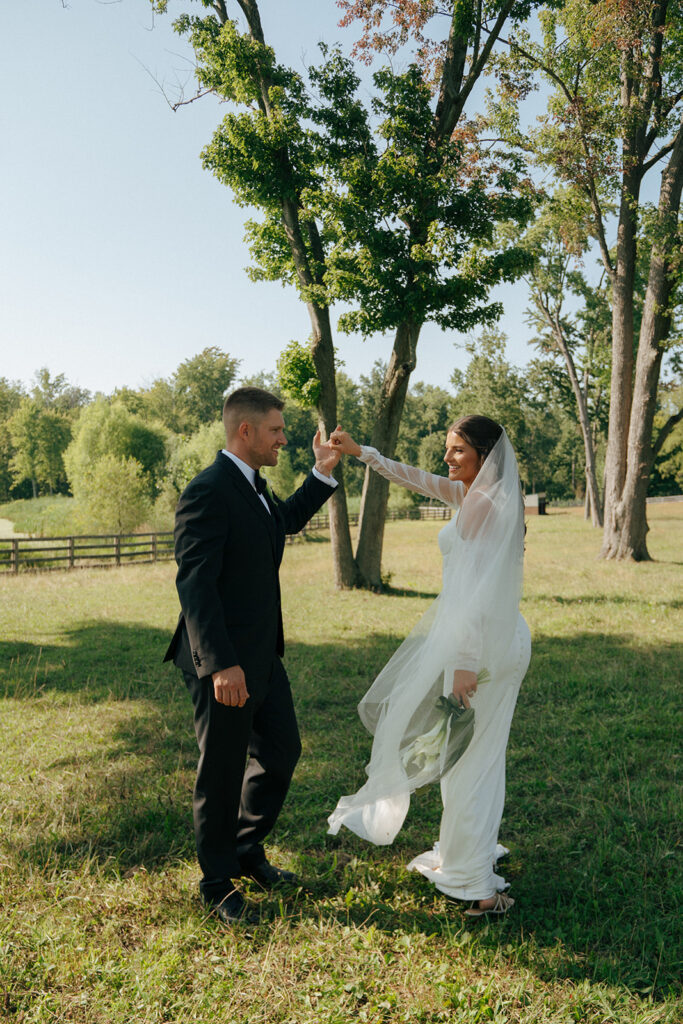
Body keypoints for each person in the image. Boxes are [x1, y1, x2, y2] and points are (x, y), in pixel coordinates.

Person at [327, 416, 530, 916]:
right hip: (496, 645)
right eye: (447, 449)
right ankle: (467, 855)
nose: (447, 459)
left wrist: (463, 665)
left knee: (467, 766)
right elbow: (416, 477)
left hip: (478, 652)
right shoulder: (483, 495)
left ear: (484, 454)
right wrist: (363, 454)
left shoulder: (481, 505)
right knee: (473, 761)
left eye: (458, 450)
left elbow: (471, 595)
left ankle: (475, 885)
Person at [164, 386, 341, 926]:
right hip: (223, 664)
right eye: (276, 431)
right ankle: (217, 883)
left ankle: (244, 849)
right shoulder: (209, 490)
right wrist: (220, 663)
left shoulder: (254, 488)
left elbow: (281, 521)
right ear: (246, 431)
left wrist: (323, 473)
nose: (283, 439)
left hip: (263, 656)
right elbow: (195, 583)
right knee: (220, 771)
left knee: (282, 750)